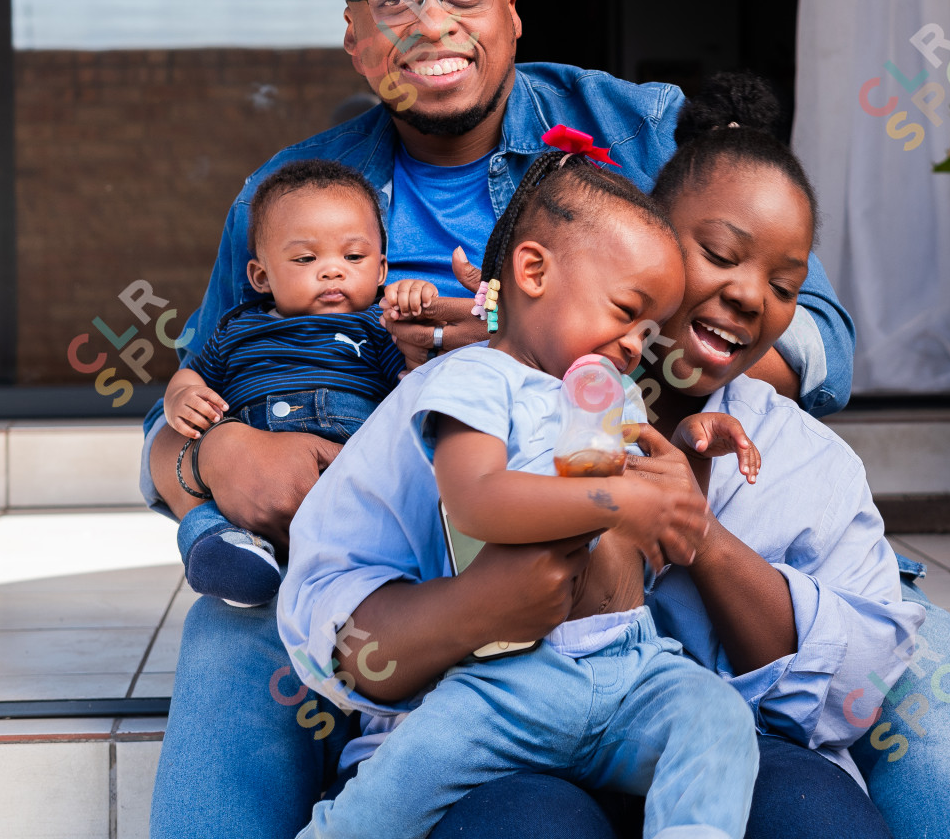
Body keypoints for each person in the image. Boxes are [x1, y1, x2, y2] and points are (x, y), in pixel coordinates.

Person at [142, 0, 950, 839]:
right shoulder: (294, 194)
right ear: (354, 39)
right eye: (394, 3)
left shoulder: (635, 126)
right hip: (410, 547)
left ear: (512, 12)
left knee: (941, 670)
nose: (432, 24)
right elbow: (196, 396)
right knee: (233, 642)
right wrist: (205, 462)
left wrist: (615, 377)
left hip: (665, 537)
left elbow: (817, 336)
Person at [335, 76, 950, 839]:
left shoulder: (805, 462)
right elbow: (356, 630)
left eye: (784, 285)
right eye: (718, 255)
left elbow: (854, 692)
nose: (748, 296)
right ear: (647, 245)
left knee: (820, 813)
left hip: (718, 739)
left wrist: (697, 533)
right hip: (509, 742)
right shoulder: (486, 401)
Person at [281, 145, 771, 839]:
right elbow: (478, 499)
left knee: (718, 718)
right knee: (408, 771)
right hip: (509, 682)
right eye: (625, 311)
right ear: (534, 271)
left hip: (630, 665)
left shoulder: (614, 392)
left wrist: (691, 452)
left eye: (647, 329)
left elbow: (650, 534)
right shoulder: (478, 380)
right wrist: (618, 502)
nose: (636, 344)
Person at [161, 160, 418, 606]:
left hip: (346, 460)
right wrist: (182, 394)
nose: (332, 270)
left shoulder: (378, 326)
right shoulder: (236, 329)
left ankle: (369, 575)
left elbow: (413, 382)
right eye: (305, 258)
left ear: (380, 271)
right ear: (261, 277)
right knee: (208, 519)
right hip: (254, 472)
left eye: (353, 257)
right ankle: (237, 563)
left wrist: (414, 315)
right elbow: (193, 373)